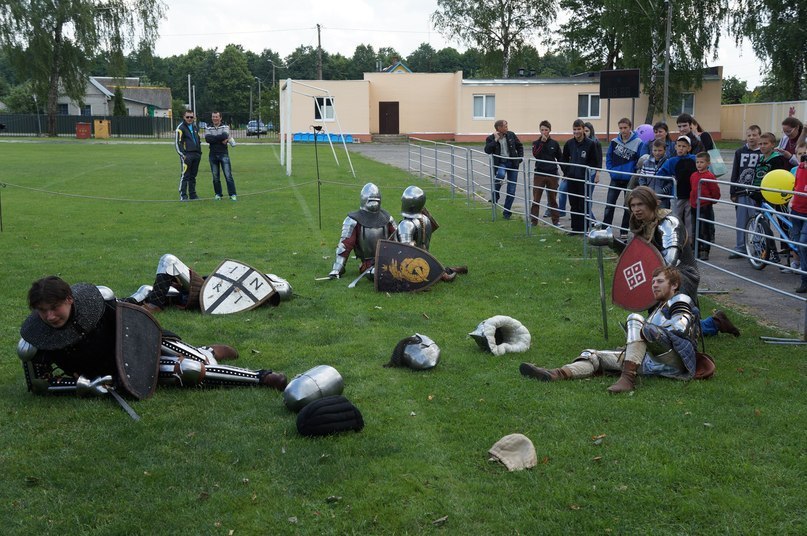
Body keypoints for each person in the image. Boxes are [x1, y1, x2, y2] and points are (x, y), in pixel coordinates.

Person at [17, 276, 288, 399]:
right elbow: (41, 384)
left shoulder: (96, 302)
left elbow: (131, 318)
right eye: (42, 311)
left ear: (69, 299)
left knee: (194, 357)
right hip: (109, 372)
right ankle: (260, 377)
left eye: (55, 308)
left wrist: (145, 347)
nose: (50, 317)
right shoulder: (33, 339)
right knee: (191, 370)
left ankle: (208, 350)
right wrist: (85, 385)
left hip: (139, 345)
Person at [520, 266, 701, 393]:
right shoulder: (658, 309)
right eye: (653, 282)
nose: (654, 285)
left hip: (674, 361)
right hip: (649, 361)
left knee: (635, 319)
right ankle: (555, 374)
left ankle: (627, 379)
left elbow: (680, 328)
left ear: (674, 285)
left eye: (660, 281)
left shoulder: (680, 299)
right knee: (592, 355)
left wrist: (644, 331)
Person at [589, 186, 740, 337]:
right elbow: (633, 256)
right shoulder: (639, 225)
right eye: (633, 205)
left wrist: (651, 280)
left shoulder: (669, 223)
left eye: (640, 204)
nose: (636, 209)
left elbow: (670, 260)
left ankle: (711, 324)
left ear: (651, 203)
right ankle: (713, 322)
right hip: (657, 274)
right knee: (662, 329)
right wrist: (611, 241)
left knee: (674, 330)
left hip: (681, 274)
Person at [125, 254, 292, 313]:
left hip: (203, 292)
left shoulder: (268, 287)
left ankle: (154, 306)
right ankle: (121, 306)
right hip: (205, 289)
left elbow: (285, 289)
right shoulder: (245, 276)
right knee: (147, 289)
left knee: (169, 261)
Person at [393, 185, 466, 281]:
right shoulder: (426, 219)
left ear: (408, 203)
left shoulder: (406, 225)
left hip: (412, 266)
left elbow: (406, 250)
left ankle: (441, 273)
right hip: (426, 260)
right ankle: (444, 271)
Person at [328, 182, 396, 279]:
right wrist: (337, 269)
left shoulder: (387, 218)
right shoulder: (353, 220)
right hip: (368, 265)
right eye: (371, 200)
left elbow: (398, 241)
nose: (374, 203)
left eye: (376, 200)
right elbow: (345, 245)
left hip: (387, 261)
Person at [603, 117, 642, 236]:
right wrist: (611, 171)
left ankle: (624, 231)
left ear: (630, 128)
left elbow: (639, 161)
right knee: (609, 205)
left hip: (629, 180)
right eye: (621, 128)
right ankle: (605, 229)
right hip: (615, 178)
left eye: (625, 128)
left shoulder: (638, 142)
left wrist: (633, 174)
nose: (623, 130)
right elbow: (608, 157)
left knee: (627, 206)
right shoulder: (614, 142)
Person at [728, 125, 762, 259]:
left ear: (759, 136)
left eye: (754, 135)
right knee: (741, 220)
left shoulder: (762, 152)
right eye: (749, 135)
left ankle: (759, 247)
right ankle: (740, 247)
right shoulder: (739, 152)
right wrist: (733, 191)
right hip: (742, 191)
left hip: (757, 193)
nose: (752, 138)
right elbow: (735, 171)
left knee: (758, 220)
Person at [561, 119, 600, 234]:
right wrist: (567, 172)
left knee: (583, 204)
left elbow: (595, 161)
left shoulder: (590, 144)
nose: (576, 131)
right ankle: (575, 228)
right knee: (573, 204)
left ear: (583, 129)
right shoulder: (569, 143)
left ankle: (585, 228)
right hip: (572, 178)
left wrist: (589, 171)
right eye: (574, 129)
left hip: (584, 179)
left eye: (579, 129)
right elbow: (563, 160)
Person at [484, 119, 524, 220]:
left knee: (511, 190)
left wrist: (519, 158)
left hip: (512, 164)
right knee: (500, 175)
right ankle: (495, 195)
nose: (507, 128)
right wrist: (495, 140)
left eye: (507, 126)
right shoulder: (491, 138)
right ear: (499, 128)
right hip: (501, 163)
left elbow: (520, 146)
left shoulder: (511, 135)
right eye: (505, 126)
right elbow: (487, 150)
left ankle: (507, 212)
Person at [657, 135, 697, 233]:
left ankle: (689, 239)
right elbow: (660, 174)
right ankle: (676, 237)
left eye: (684, 146)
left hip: (690, 194)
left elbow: (703, 168)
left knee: (689, 218)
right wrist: (671, 178)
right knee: (676, 217)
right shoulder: (671, 161)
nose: (681, 148)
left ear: (689, 148)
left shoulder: (694, 159)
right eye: (679, 146)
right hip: (676, 195)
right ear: (675, 147)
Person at [530, 120, 563, 226]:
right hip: (539, 174)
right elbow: (536, 154)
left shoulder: (554, 143)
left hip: (552, 174)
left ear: (550, 130)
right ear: (540, 130)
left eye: (546, 130)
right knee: (536, 199)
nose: (544, 132)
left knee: (553, 199)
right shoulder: (536, 143)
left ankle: (556, 221)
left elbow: (560, 158)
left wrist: (566, 172)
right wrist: (542, 143)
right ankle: (533, 221)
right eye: (542, 130)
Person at [690, 152, 721, 260]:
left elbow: (715, 191)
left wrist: (712, 200)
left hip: (705, 206)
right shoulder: (693, 175)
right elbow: (692, 190)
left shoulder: (709, 176)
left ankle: (705, 250)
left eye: (702, 162)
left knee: (705, 229)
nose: (699, 164)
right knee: (695, 228)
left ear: (708, 163)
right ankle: (695, 248)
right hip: (694, 206)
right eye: (697, 162)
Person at [205, 111, 237, 201]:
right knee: (215, 177)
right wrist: (221, 139)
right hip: (212, 155)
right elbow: (207, 139)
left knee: (228, 175)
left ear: (220, 118)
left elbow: (225, 135)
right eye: (213, 117)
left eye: (216, 117)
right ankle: (218, 194)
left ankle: (232, 194)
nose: (215, 118)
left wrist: (216, 139)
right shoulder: (208, 127)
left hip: (223, 154)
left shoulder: (225, 126)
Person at [175, 110, 203, 201]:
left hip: (196, 154)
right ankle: (183, 195)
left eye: (191, 117)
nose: (190, 119)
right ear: (184, 117)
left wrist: (199, 152)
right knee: (185, 175)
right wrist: (183, 155)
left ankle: (193, 195)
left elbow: (198, 140)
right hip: (187, 155)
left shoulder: (195, 127)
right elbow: (177, 143)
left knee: (193, 176)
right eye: (188, 117)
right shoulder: (180, 128)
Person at [790, 154, 807, 293]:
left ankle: (805, 280)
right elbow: (796, 186)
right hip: (796, 210)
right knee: (797, 244)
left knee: (803, 244)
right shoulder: (800, 168)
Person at [638, 139, 672, 208]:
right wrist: (645, 190)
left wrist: (663, 191)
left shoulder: (668, 163)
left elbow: (671, 181)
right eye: (655, 150)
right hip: (648, 197)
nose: (657, 153)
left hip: (662, 198)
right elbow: (642, 178)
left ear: (665, 150)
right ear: (652, 150)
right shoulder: (646, 163)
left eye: (660, 150)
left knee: (662, 216)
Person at [583, 122, 602, 220]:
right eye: (584, 131)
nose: (585, 133)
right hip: (582, 172)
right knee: (582, 196)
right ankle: (586, 216)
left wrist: (598, 173)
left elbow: (599, 159)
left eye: (587, 131)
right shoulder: (581, 142)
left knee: (588, 196)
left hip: (592, 172)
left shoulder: (596, 142)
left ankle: (591, 218)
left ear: (591, 131)